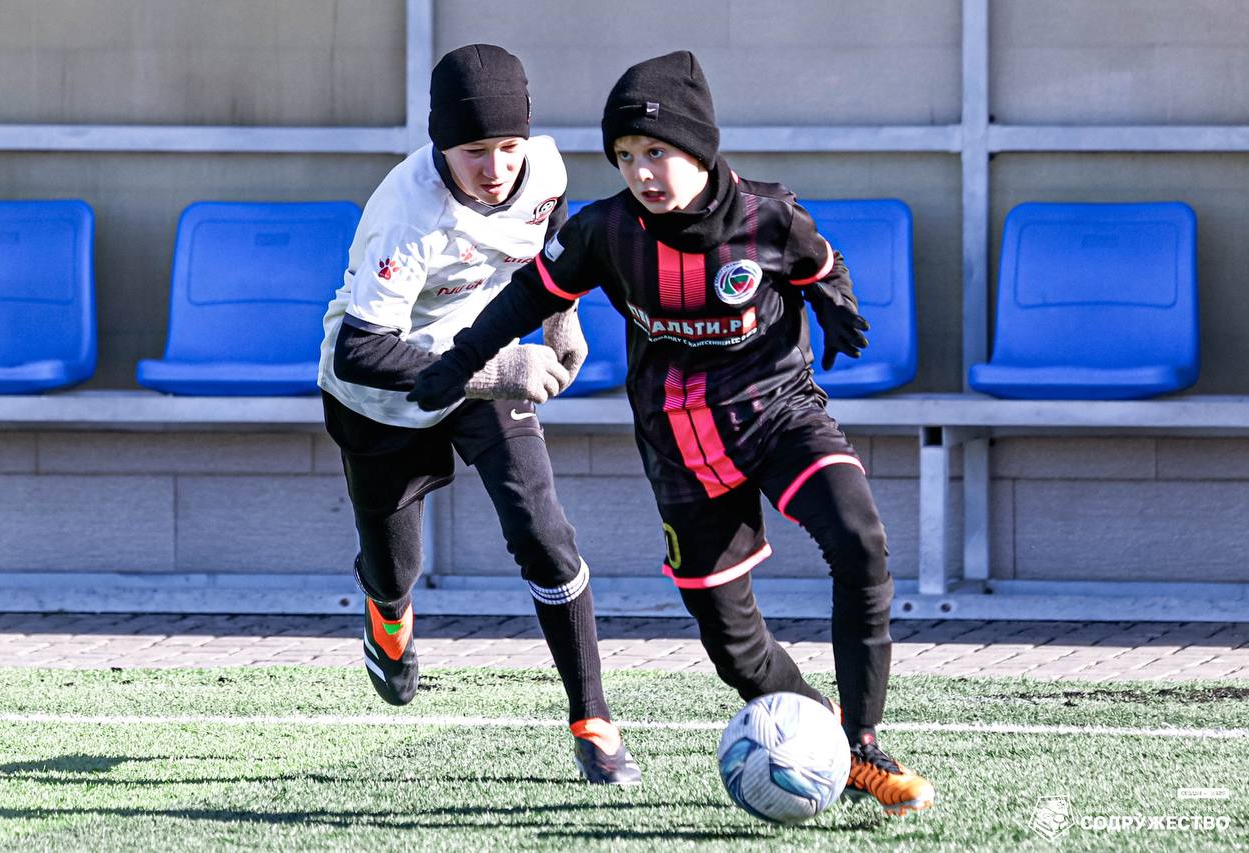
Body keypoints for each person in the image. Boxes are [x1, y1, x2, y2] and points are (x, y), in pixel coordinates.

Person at [409, 50, 934, 815]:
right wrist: (461, 361)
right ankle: (821, 736)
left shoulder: (768, 215)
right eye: (625, 156)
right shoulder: (605, 231)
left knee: (860, 539)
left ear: (699, 146)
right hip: (682, 449)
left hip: (780, 413)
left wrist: (836, 303)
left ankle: (862, 743)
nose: (641, 172)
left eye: (656, 151)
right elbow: (527, 296)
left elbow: (819, 264)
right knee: (735, 647)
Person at [317, 43, 640, 785]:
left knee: (544, 533)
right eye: (473, 153)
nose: (495, 168)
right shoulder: (407, 212)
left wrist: (560, 319)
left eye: (507, 147)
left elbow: (551, 235)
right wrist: (499, 368)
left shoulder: (544, 167)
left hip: (484, 362)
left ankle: (592, 718)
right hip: (384, 393)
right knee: (395, 570)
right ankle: (387, 615)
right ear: (440, 145)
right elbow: (359, 353)